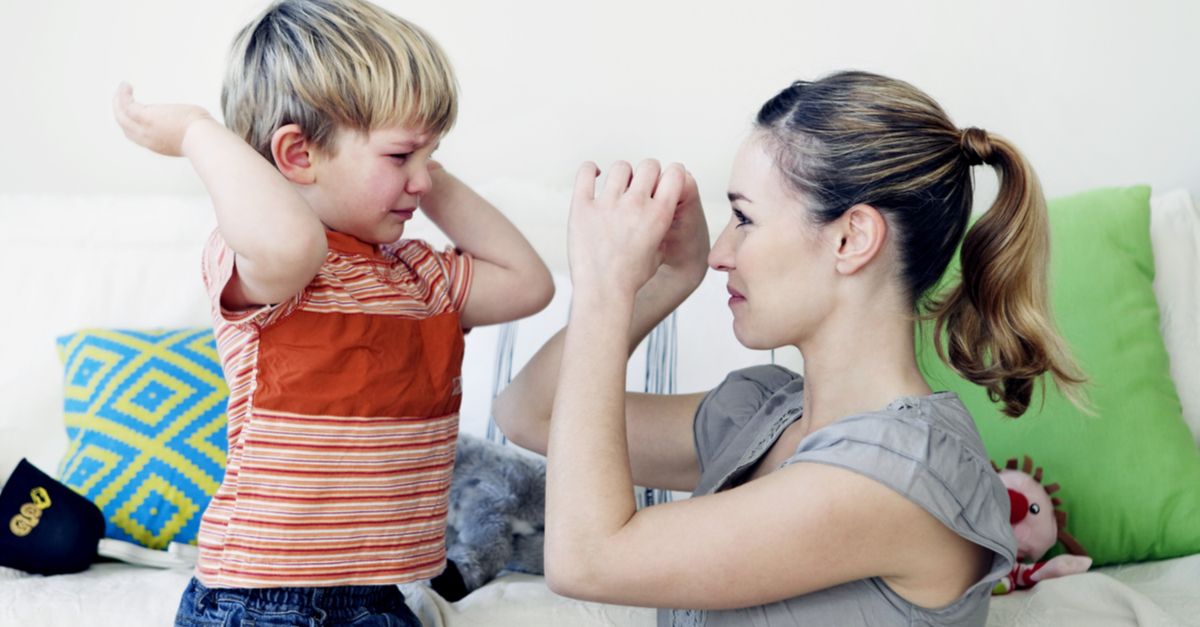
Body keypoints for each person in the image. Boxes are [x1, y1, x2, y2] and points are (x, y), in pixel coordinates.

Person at [493, 70, 1084, 626]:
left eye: (744, 218)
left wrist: (604, 288)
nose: (721, 252)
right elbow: (528, 413)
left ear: (852, 238)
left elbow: (587, 560)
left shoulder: (898, 477)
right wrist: (668, 280)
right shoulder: (767, 413)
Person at [112, 0, 554, 624]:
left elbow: (528, 284)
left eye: (431, 156)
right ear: (297, 156)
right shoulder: (267, 264)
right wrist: (196, 134)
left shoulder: (419, 275)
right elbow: (295, 242)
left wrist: (423, 164)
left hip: (383, 596)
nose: (423, 182)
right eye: (400, 157)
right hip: (260, 600)